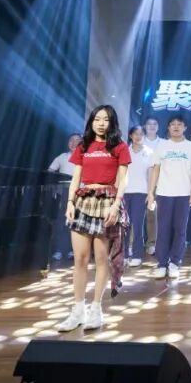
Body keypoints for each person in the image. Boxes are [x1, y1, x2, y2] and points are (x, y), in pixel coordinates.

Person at [57, 105, 131, 332]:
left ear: (112, 122)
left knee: (100, 258)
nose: (101, 123)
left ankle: (96, 309)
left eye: (105, 119)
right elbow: (76, 177)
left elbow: (123, 179)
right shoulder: (84, 146)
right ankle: (77, 310)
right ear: (91, 121)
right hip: (83, 200)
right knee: (80, 258)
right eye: (97, 119)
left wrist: (116, 205)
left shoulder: (119, 146)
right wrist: (70, 202)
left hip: (107, 201)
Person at [146, 116, 191, 280]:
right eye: (173, 124)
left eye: (179, 124)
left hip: (183, 194)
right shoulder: (162, 145)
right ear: (168, 127)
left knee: (180, 230)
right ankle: (162, 263)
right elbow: (155, 169)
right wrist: (151, 192)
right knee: (163, 229)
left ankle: (175, 262)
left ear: (185, 127)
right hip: (164, 193)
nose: (176, 127)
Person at [124, 126, 159, 267]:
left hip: (141, 192)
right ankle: (124, 254)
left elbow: (151, 174)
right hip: (125, 192)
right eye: (135, 134)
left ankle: (137, 254)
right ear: (130, 135)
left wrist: (150, 193)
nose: (138, 136)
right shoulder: (124, 151)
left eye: (141, 134)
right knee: (124, 224)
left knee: (137, 224)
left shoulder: (149, 152)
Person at [45, 133, 81, 262]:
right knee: (61, 221)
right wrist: (54, 184)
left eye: (77, 141)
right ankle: (59, 250)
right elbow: (50, 171)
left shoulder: (85, 157)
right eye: (71, 140)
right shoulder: (62, 157)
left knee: (76, 222)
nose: (74, 143)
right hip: (64, 192)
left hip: (79, 193)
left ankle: (73, 250)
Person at [142, 117, 163, 255]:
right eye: (149, 124)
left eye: (155, 124)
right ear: (145, 126)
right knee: (137, 216)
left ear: (158, 127)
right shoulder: (139, 141)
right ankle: (135, 243)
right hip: (139, 183)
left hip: (157, 184)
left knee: (152, 215)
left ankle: (151, 243)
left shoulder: (163, 143)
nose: (152, 126)